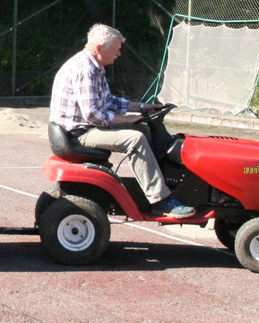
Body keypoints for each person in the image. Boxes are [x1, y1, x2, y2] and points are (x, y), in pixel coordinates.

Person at [49, 23, 195, 218]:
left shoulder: (95, 66)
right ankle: (160, 200)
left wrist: (142, 107)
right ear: (99, 48)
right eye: (116, 49)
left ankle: (160, 181)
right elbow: (93, 115)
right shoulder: (85, 70)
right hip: (78, 134)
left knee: (143, 129)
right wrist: (126, 120)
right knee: (135, 139)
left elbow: (108, 101)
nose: (119, 54)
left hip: (84, 127)